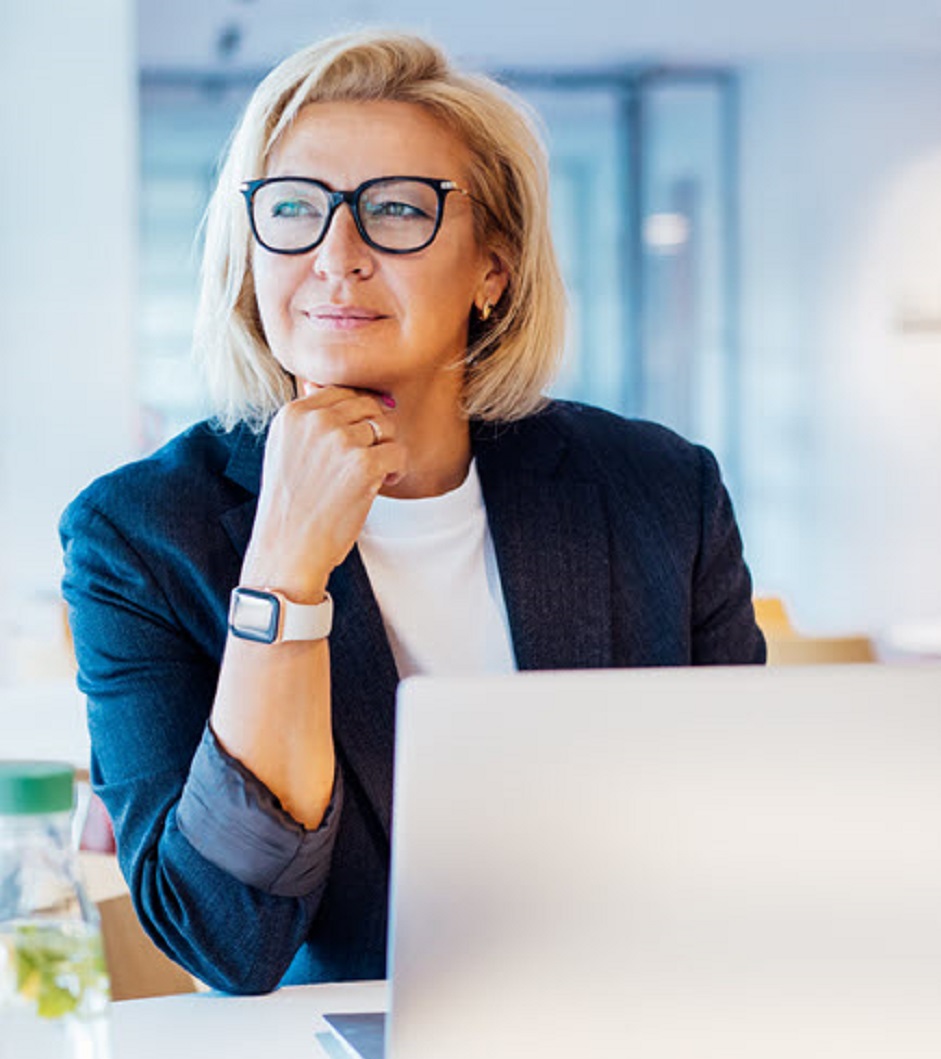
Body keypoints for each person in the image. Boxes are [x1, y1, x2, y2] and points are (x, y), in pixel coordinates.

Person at [60, 31, 765, 995]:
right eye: (295, 211)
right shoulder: (141, 536)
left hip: (639, 1026)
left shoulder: (658, 490)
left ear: (493, 271)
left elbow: (747, 833)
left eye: (395, 210)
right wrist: (283, 575)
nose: (335, 256)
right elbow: (227, 938)